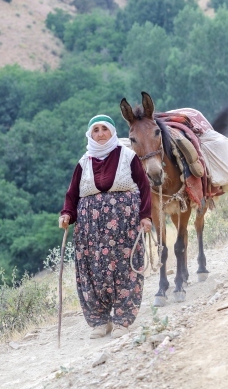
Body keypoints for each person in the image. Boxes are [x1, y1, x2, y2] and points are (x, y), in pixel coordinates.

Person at [59, 115, 152, 339]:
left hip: (125, 227)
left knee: (125, 270)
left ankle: (122, 320)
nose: (100, 134)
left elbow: (144, 186)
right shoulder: (84, 162)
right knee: (93, 272)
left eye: (104, 129)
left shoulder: (128, 156)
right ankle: (100, 322)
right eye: (96, 130)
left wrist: (145, 216)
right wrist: (66, 214)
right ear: (90, 134)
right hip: (90, 230)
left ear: (112, 132)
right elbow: (72, 194)